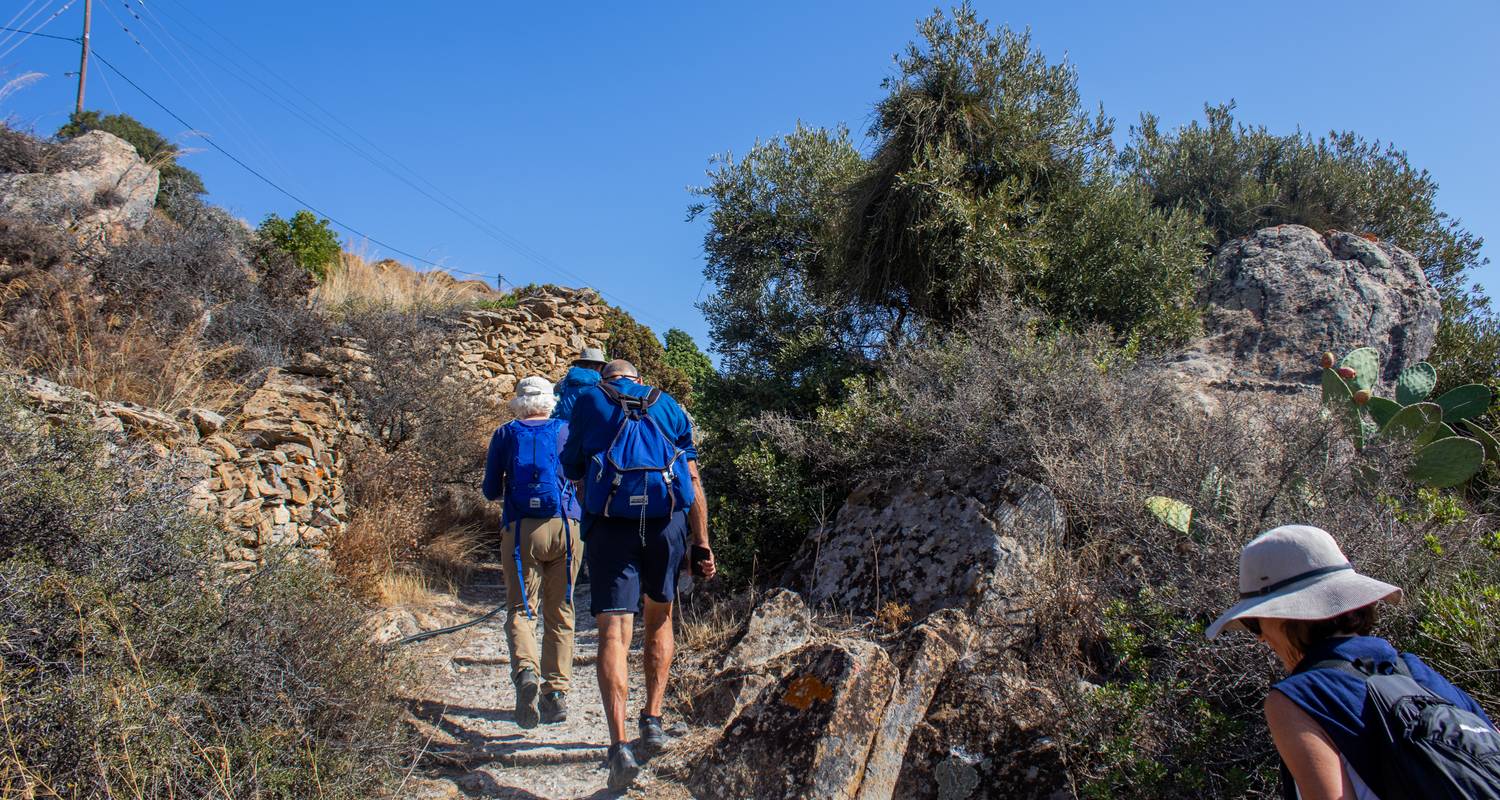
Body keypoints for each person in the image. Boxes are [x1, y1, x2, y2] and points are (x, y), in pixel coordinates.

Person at [1208, 524, 1497, 800]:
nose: (1261, 639)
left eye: (1254, 624)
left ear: (1282, 617)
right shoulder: (1419, 673)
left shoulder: (1297, 697)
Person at [559, 359, 715, 790]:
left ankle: (619, 745)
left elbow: (572, 467)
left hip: (610, 527)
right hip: (666, 525)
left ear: (604, 380)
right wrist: (701, 540)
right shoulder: (668, 405)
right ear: (638, 381)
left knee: (613, 632)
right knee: (660, 618)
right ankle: (653, 719)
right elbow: (692, 478)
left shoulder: (588, 400)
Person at [481, 376, 584, 729]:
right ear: (549, 402)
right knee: (561, 611)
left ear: (519, 404)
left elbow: (490, 489)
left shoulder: (506, 434)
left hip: (521, 529)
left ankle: (526, 672)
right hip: (567, 528)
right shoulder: (567, 430)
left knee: (522, 609)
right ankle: (555, 694)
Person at [552, 347, 607, 421]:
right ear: (599, 367)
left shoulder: (563, 382)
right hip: (589, 426)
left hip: (563, 425)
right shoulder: (602, 384)